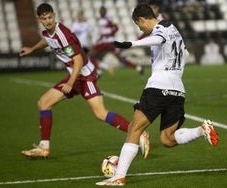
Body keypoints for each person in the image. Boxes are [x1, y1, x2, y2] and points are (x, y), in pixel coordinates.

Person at [96, 4, 219, 186]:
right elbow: (184, 54)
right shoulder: (174, 31)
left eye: (139, 26)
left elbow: (157, 39)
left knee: (134, 129)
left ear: (142, 19)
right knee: (167, 139)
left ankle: (119, 176)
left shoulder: (161, 29)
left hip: (159, 87)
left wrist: (132, 44)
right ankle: (202, 130)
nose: (141, 30)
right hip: (177, 90)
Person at [19, 3, 150, 159]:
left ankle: (140, 133)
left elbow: (78, 60)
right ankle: (44, 148)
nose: (47, 21)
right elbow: (47, 40)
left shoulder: (63, 35)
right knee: (44, 103)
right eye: (44, 19)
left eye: (49, 17)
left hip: (84, 76)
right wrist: (32, 49)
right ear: (39, 19)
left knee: (101, 113)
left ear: (54, 15)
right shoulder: (49, 33)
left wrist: (69, 83)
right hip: (74, 76)